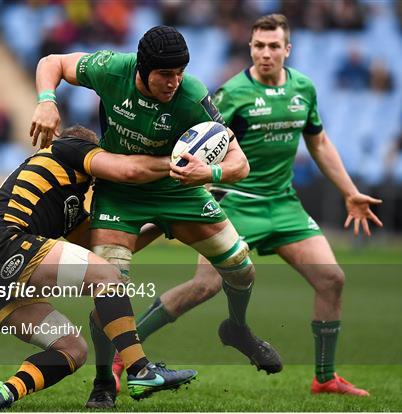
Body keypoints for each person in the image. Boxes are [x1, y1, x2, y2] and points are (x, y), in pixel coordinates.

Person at [121, 14, 383, 397]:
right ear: (250, 49)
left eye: (274, 46)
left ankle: (325, 378)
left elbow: (320, 143)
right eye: (259, 46)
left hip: (283, 204)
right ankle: (121, 356)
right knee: (204, 286)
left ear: (287, 49)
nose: (265, 53)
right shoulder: (231, 95)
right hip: (236, 203)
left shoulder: (304, 89)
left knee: (332, 279)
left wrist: (349, 190)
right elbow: (197, 148)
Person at [30, 25, 282, 408]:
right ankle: (102, 382)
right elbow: (53, 62)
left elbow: (239, 162)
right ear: (141, 70)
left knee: (241, 268)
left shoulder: (193, 95)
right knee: (108, 289)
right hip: (119, 195)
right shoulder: (111, 69)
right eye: (166, 74)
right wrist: (47, 100)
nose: (174, 82)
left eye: (180, 73)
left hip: (178, 190)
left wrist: (208, 174)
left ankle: (238, 329)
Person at [0, 125, 197, 411]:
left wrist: (163, 224)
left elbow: (98, 246)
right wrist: (178, 165)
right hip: (7, 245)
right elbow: (125, 170)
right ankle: (140, 369)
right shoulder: (67, 148)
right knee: (109, 276)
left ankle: (4, 392)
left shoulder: (68, 197)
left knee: (73, 350)